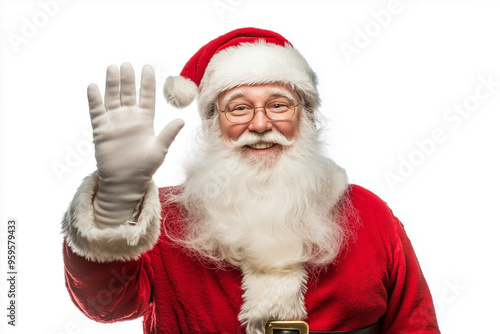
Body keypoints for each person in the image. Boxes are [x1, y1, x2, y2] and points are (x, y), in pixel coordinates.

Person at [61, 28, 440, 334]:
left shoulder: (370, 214)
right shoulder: (167, 218)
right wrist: (115, 201)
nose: (260, 125)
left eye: (278, 104)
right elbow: (104, 306)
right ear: (213, 123)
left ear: (306, 116)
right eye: (239, 108)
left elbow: (416, 324)